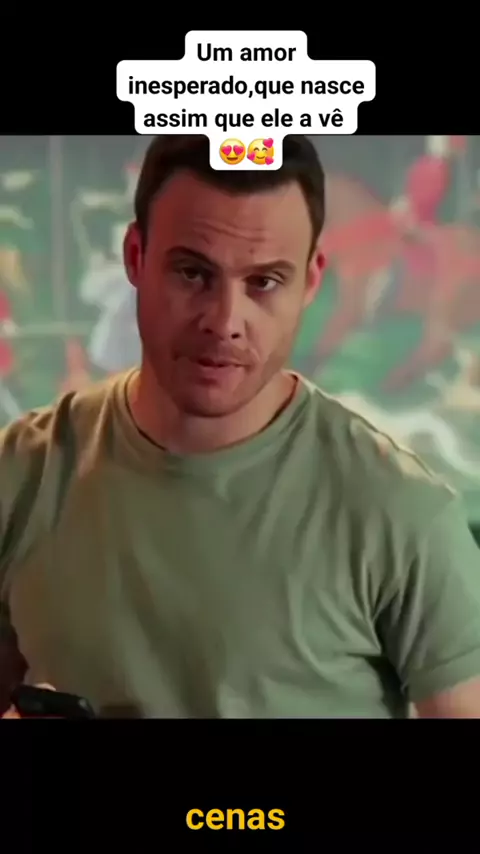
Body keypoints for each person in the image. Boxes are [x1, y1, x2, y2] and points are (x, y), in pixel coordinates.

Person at [2, 134, 480, 720]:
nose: (226, 320)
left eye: (264, 281)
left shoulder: (402, 512)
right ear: (135, 257)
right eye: (192, 273)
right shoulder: (22, 474)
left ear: (311, 281)